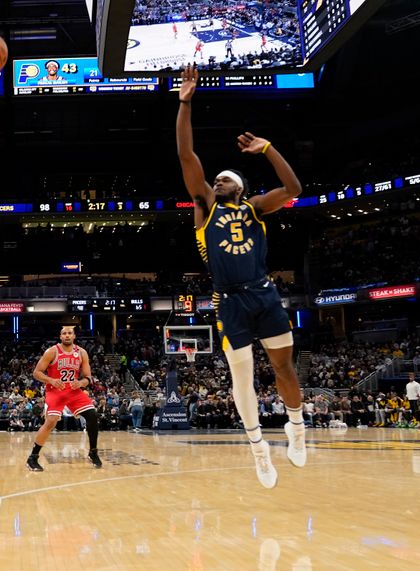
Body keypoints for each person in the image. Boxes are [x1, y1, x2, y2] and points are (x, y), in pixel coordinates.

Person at [175, 64, 305, 489]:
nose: (218, 179)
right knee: (242, 376)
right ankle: (258, 450)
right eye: (216, 179)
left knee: (284, 368)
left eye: (225, 178)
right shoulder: (205, 206)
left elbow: (295, 189)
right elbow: (186, 156)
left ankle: (296, 428)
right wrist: (185, 103)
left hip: (264, 293)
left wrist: (268, 148)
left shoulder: (255, 208)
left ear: (241, 187)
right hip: (229, 299)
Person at [27, 326, 102, 471]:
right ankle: (32, 458)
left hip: (74, 391)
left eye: (69, 333)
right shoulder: (52, 351)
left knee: (92, 416)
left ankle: (93, 452)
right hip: (55, 391)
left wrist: (81, 382)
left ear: (74, 336)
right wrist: (50, 380)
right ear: (60, 337)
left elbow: (88, 377)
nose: (67, 335)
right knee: (51, 422)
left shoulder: (82, 353)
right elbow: (36, 373)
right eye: (64, 333)